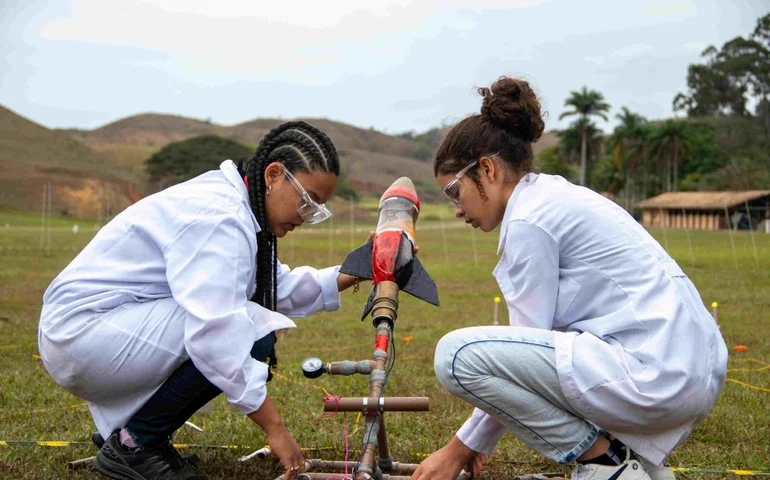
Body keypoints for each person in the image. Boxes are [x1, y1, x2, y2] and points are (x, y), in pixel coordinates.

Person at [411, 78, 727, 480]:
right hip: (692, 370)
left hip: (656, 372)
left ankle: (604, 462)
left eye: (455, 192)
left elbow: (518, 354)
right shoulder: (556, 197)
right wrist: (474, 441)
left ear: (487, 169)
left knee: (457, 356)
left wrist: (458, 451)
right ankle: (638, 466)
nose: (457, 209)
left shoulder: (529, 220)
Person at [38, 121, 366, 480]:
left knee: (250, 322)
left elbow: (278, 287)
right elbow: (215, 333)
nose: (307, 217)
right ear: (274, 175)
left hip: (105, 329)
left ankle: (143, 435)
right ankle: (135, 445)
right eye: (308, 201)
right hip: (84, 335)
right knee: (248, 330)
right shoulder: (219, 217)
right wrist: (275, 428)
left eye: (317, 209)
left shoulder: (241, 209)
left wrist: (362, 268)